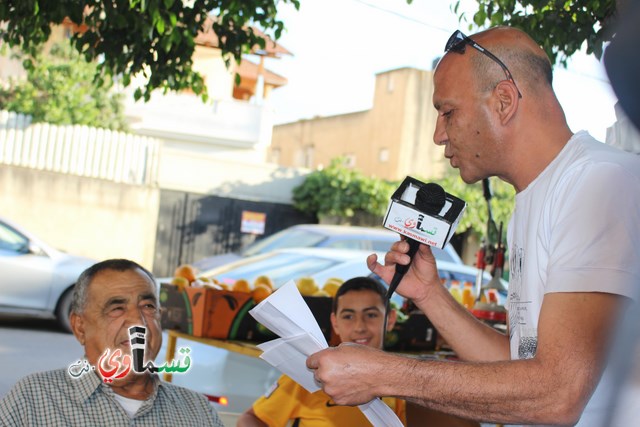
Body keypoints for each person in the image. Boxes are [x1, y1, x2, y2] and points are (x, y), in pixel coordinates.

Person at [306, 26, 640, 427]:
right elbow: (518, 368)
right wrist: (430, 295)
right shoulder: (535, 197)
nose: (438, 135)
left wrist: (384, 373)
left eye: (448, 112)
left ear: (503, 100)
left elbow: (557, 394)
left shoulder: (598, 182)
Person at [0, 258, 224, 426]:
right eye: (117, 309)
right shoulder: (33, 400)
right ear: (80, 327)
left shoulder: (198, 412)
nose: (138, 321)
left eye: (148, 306)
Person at [237, 276, 406, 427]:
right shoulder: (310, 372)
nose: (359, 327)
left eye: (371, 315)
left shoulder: (401, 380)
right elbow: (250, 419)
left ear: (390, 319)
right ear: (335, 322)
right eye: (348, 316)